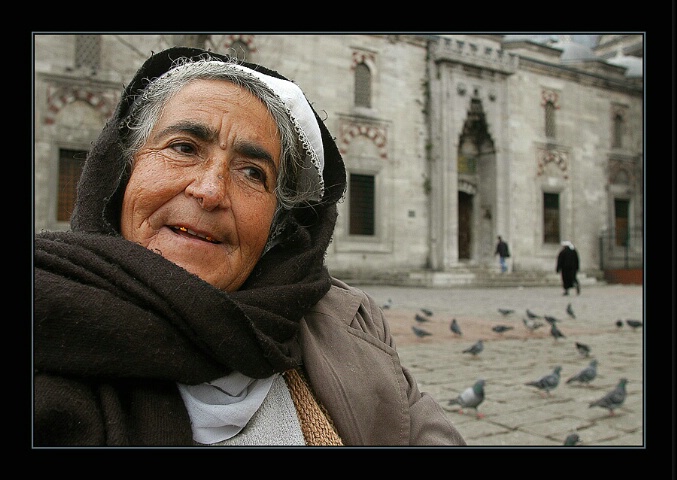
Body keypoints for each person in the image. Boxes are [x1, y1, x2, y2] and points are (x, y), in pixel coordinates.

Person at [34, 47, 466, 447]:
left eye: (252, 173)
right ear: (122, 174)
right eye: (183, 148)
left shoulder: (351, 325)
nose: (210, 190)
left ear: (278, 222)